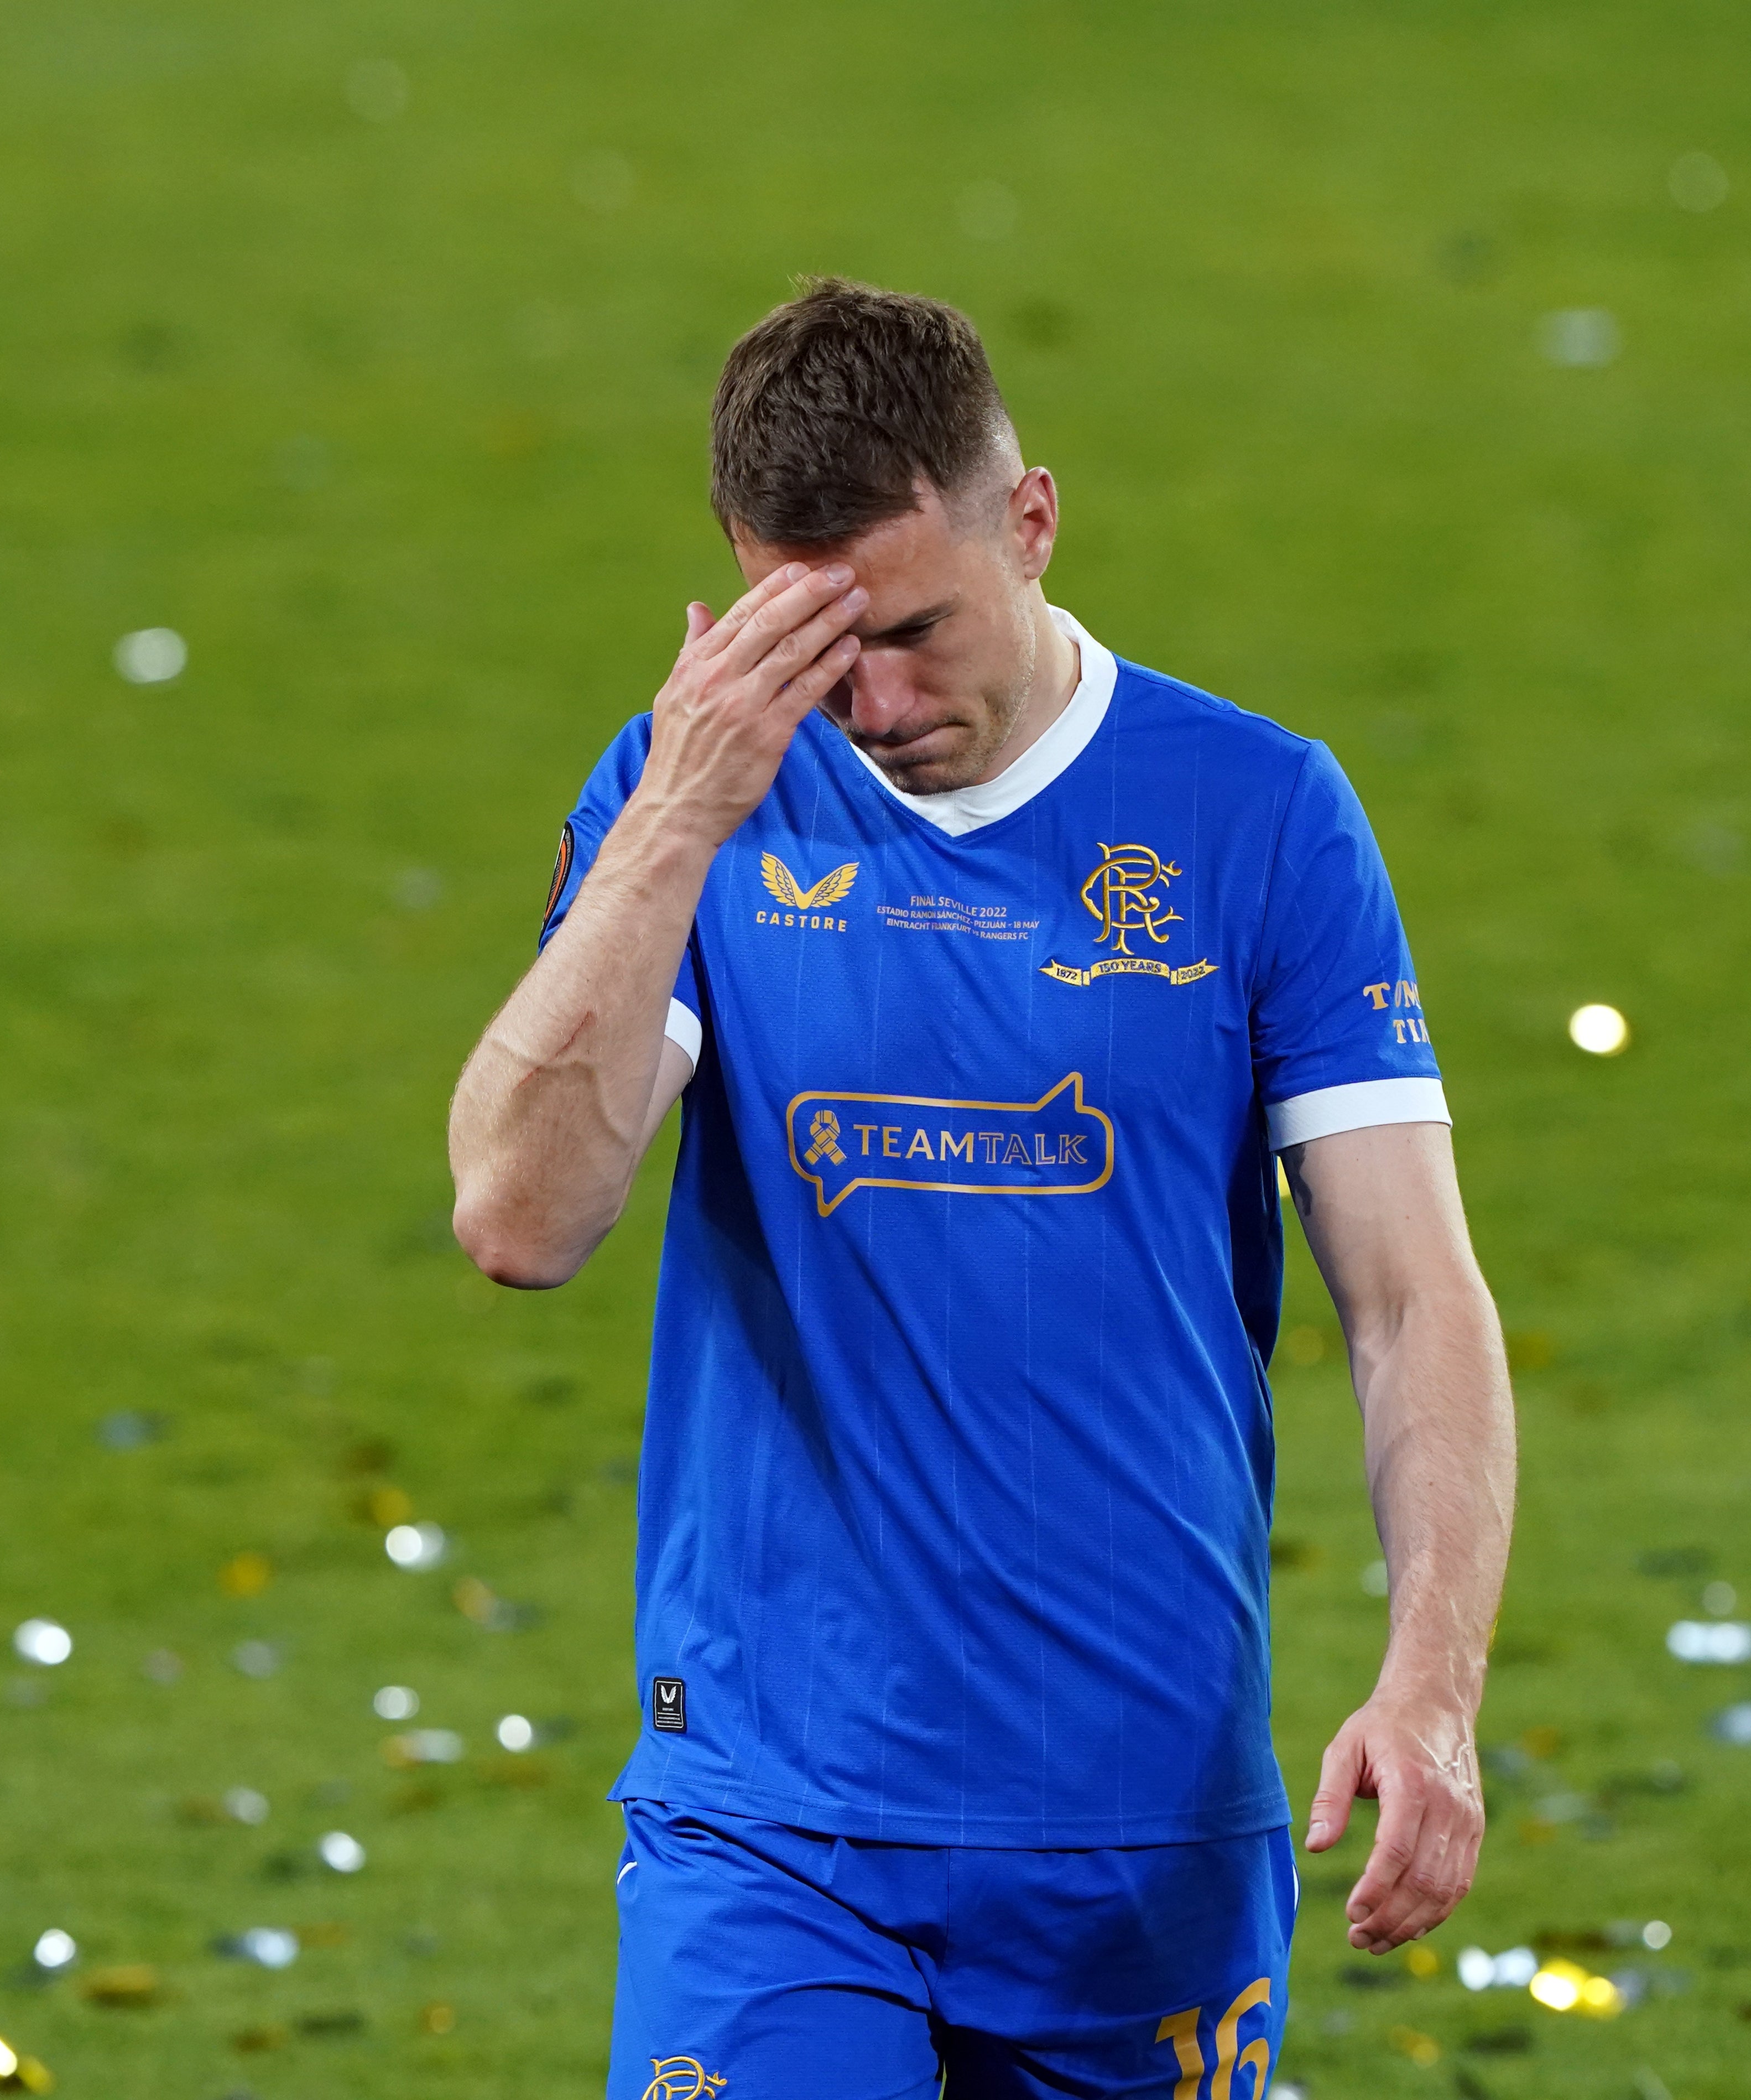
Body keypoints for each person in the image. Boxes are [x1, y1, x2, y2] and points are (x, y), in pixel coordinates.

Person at [447, 278, 1516, 2100]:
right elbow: (519, 1218)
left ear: (1028, 520)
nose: (868, 703)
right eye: (812, 641)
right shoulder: (697, 800)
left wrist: (1434, 1684)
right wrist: (678, 822)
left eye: (913, 630)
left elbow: (1413, 1294)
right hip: (773, 1818)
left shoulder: (1258, 815)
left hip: (1140, 1825)